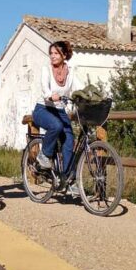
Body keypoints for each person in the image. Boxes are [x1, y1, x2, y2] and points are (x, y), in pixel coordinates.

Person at [32, 40, 80, 197]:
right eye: (51, 53)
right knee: (56, 126)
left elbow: (78, 88)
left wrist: (87, 96)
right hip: (43, 108)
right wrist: (50, 95)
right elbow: (44, 88)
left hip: (59, 110)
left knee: (69, 140)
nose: (52, 56)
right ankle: (44, 155)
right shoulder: (46, 69)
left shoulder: (70, 71)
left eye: (56, 53)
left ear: (64, 55)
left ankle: (68, 180)